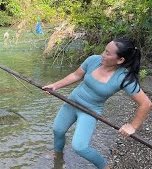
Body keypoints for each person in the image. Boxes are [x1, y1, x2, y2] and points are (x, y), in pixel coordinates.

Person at [42, 37, 151, 169]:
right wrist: (55, 86)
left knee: (80, 147)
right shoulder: (93, 60)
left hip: (91, 111)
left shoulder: (124, 78)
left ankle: (105, 167)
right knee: (58, 130)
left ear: (120, 60)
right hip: (72, 102)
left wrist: (133, 126)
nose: (102, 55)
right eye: (104, 50)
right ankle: (58, 157)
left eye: (107, 53)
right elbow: (76, 75)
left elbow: (146, 104)